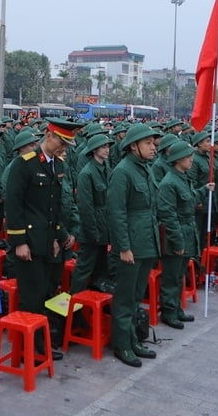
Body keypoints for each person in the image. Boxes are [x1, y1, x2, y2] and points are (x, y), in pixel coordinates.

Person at [4, 118, 84, 362]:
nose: (64, 148)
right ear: (49, 135)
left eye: (68, 144)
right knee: (32, 297)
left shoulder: (56, 165)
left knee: (49, 292)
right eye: (61, 141)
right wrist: (19, 242)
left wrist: (60, 236)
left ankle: (44, 341)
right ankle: (31, 350)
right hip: (28, 243)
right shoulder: (24, 165)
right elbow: (14, 205)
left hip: (49, 242)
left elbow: (54, 206)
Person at [106, 123, 162, 367]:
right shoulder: (123, 172)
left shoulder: (145, 169)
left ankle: (132, 340)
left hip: (147, 242)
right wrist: (124, 247)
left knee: (137, 295)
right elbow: (116, 213)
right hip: (131, 245)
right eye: (148, 143)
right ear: (133, 146)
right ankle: (122, 344)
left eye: (154, 143)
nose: (153, 147)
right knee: (125, 297)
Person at [156, 141, 208, 328]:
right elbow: (168, 216)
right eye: (187, 157)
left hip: (187, 231)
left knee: (179, 275)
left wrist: (204, 190)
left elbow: (190, 200)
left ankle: (176, 308)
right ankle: (169, 312)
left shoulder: (183, 178)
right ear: (177, 160)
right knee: (171, 277)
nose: (191, 160)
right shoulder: (169, 183)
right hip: (176, 235)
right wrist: (177, 241)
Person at [68, 133, 114, 294]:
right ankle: (75, 303)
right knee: (84, 267)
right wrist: (93, 232)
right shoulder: (87, 173)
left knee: (102, 267)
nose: (107, 150)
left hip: (104, 227)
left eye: (108, 146)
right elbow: (86, 208)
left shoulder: (106, 169)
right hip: (91, 230)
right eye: (103, 147)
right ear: (94, 150)